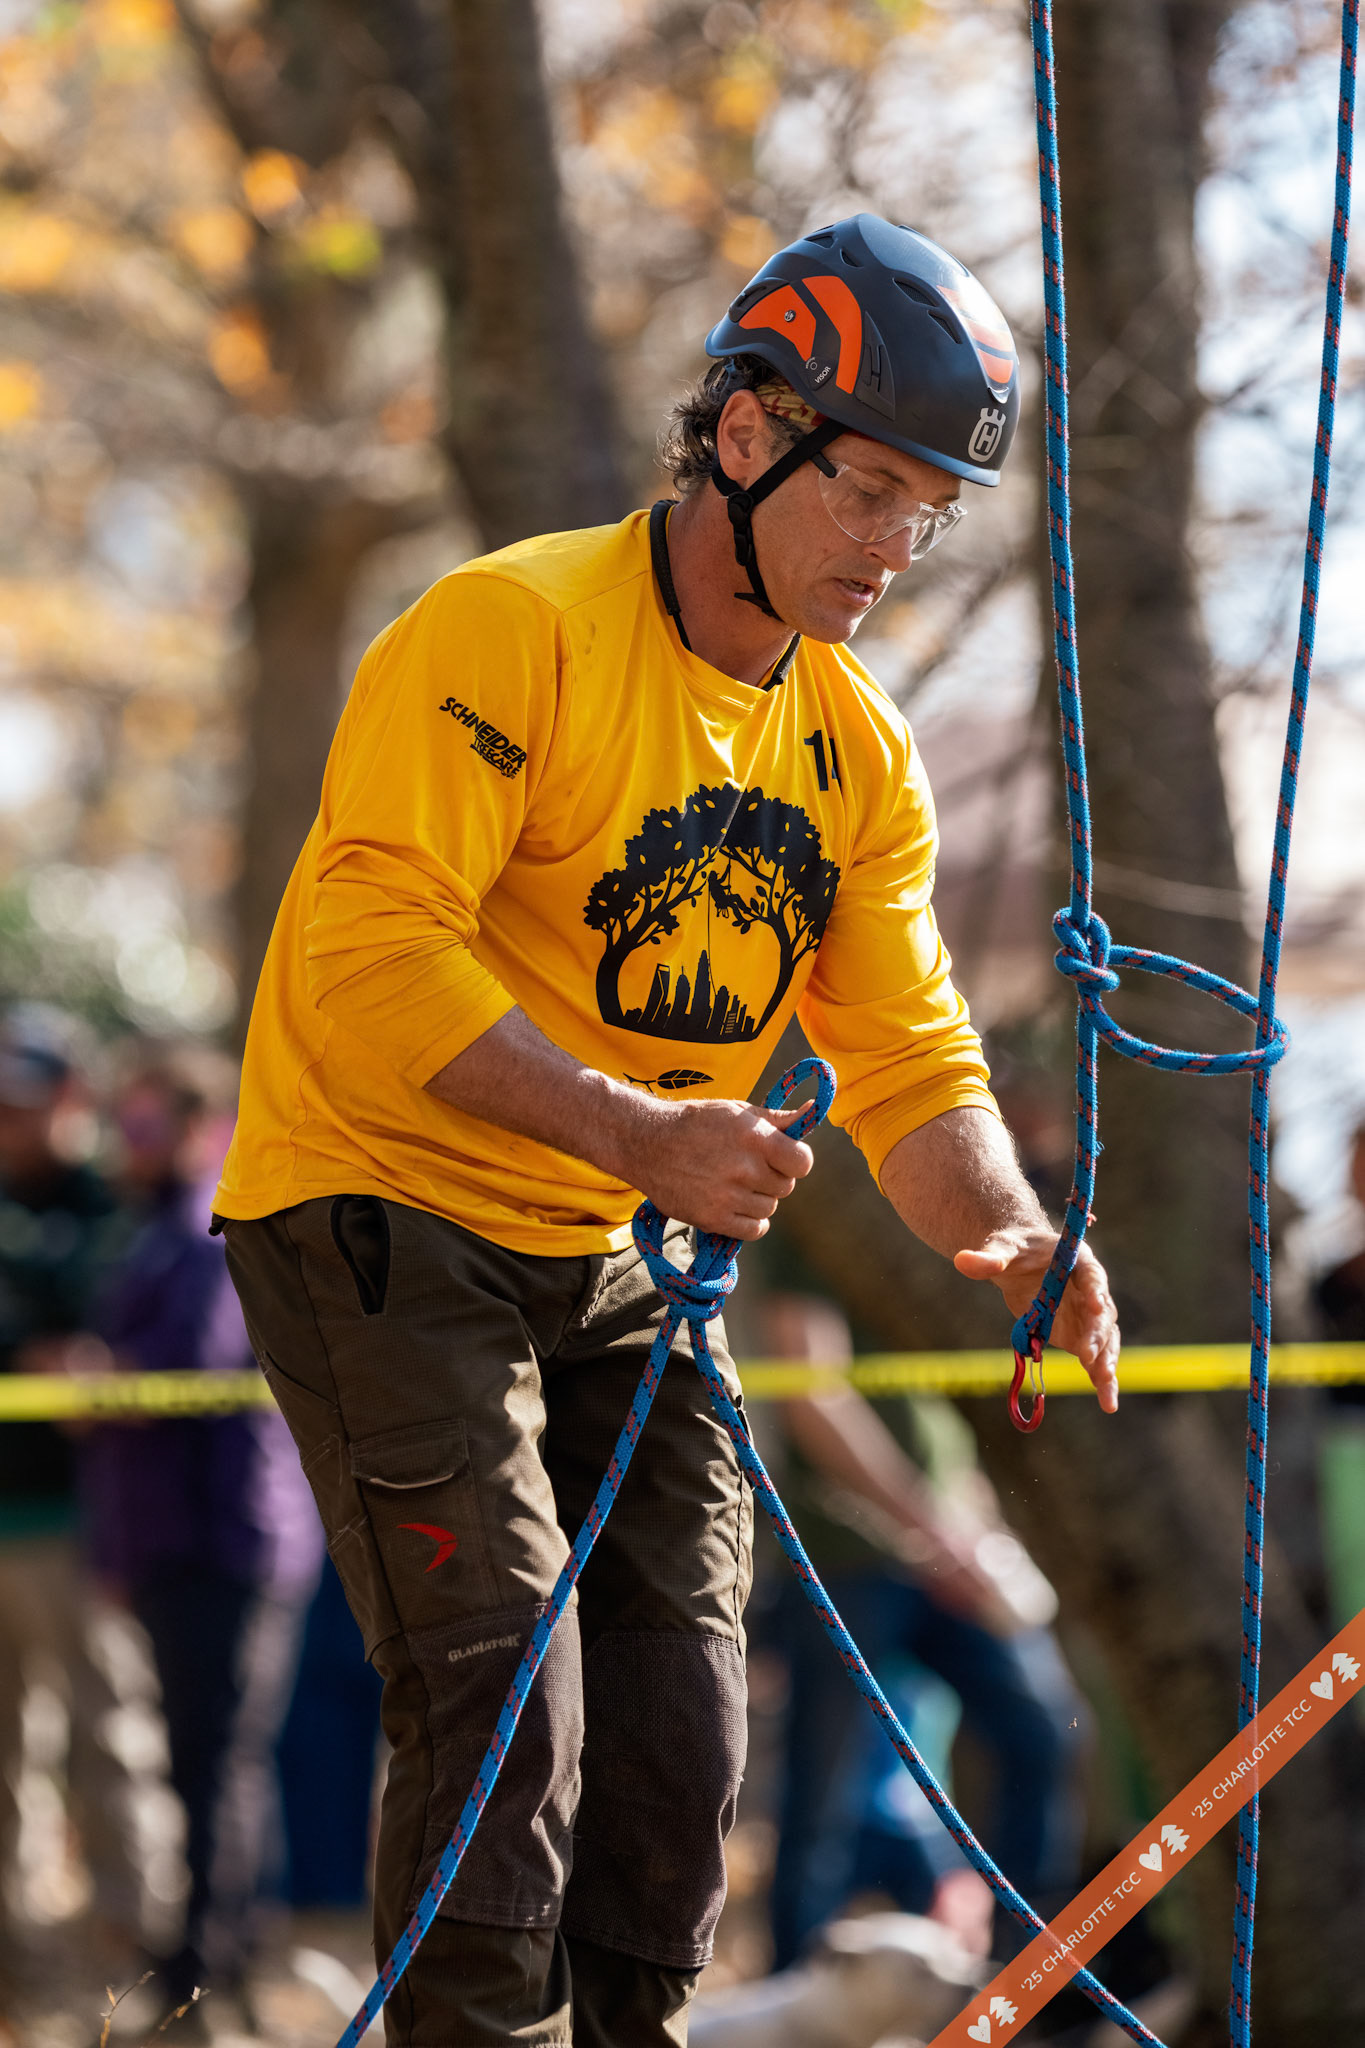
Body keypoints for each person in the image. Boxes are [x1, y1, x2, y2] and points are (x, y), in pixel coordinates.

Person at [212, 215, 1121, 2048]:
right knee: (500, 1693)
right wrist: (641, 1132)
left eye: (928, 510)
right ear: (742, 428)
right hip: (379, 1209)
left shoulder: (857, 749)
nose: (894, 545)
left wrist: (1008, 1230)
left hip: (614, 1249)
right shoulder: (513, 627)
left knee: (684, 1719)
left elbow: (911, 1051)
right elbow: (368, 953)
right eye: (866, 486)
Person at [77, 1040, 323, 2032]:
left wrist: (100, 1376)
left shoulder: (206, 1231)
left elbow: (190, 1363)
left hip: (228, 1547)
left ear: (198, 1129)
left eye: (144, 1125)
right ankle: (211, 1967)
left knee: (217, 1767)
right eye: (121, 1124)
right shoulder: (147, 1232)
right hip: (178, 1546)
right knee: (203, 1764)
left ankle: (205, 1982)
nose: (126, 1146)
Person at [757, 1294, 1085, 1971]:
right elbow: (810, 1392)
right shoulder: (824, 1224)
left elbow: (944, 1432)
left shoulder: (932, 1255)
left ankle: (1024, 1983)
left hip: (948, 1553)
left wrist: (977, 1535)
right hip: (845, 1559)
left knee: (1046, 1735)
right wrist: (932, 1532)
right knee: (820, 1796)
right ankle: (793, 1994)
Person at [0, 1005, 150, 2013]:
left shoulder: (119, 1212)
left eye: (27, 1099)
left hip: (95, 1527)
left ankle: (137, 1964)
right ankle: (24, 1972)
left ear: (73, 1098)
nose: (11, 1121)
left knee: (115, 1741)